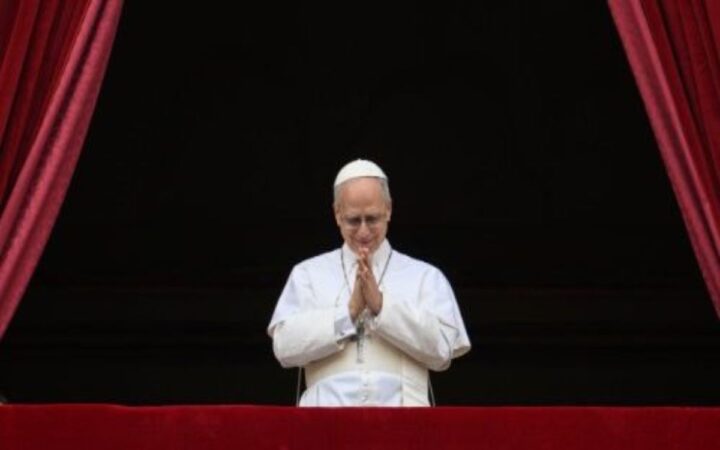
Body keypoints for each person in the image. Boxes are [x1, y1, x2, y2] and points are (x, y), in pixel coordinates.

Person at [268, 159, 470, 406]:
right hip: (325, 418)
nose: (363, 231)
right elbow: (284, 348)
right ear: (337, 214)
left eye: (372, 219)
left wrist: (381, 306)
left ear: (389, 209)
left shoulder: (425, 277)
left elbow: (443, 351)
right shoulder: (307, 275)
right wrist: (348, 313)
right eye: (354, 220)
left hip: (403, 420)